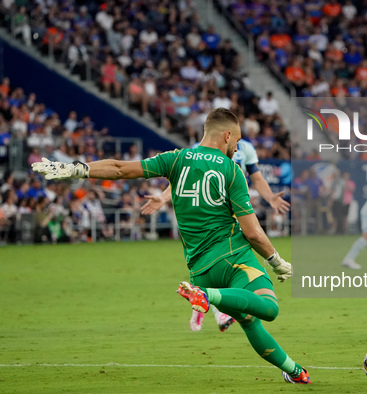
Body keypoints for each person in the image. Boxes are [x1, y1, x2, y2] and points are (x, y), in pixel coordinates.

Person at [32, 108, 310, 384]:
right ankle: (208, 296)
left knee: (250, 320)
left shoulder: (177, 159)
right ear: (227, 135)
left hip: (199, 268)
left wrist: (74, 169)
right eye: (236, 142)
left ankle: (294, 372)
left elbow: (119, 168)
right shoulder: (231, 170)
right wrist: (276, 261)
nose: (236, 149)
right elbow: (254, 233)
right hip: (233, 259)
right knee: (269, 309)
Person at [141, 137, 290, 332]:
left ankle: (208, 303)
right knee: (220, 257)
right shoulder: (198, 149)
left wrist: (270, 197)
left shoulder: (245, 148)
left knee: (228, 260)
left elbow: (256, 177)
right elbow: (183, 177)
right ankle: (212, 304)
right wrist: (163, 197)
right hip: (213, 213)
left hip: (235, 207)